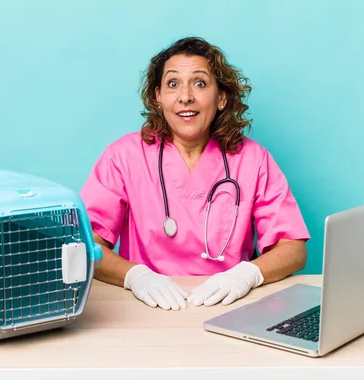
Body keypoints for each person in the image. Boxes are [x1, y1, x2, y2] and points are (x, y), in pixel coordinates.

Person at [79, 36, 310, 311]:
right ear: (158, 97)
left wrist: (245, 276)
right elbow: (84, 246)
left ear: (221, 97)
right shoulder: (123, 156)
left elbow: (294, 249)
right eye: (173, 84)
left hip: (230, 306)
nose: (185, 96)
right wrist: (135, 277)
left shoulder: (252, 159)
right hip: (145, 308)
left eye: (200, 83)